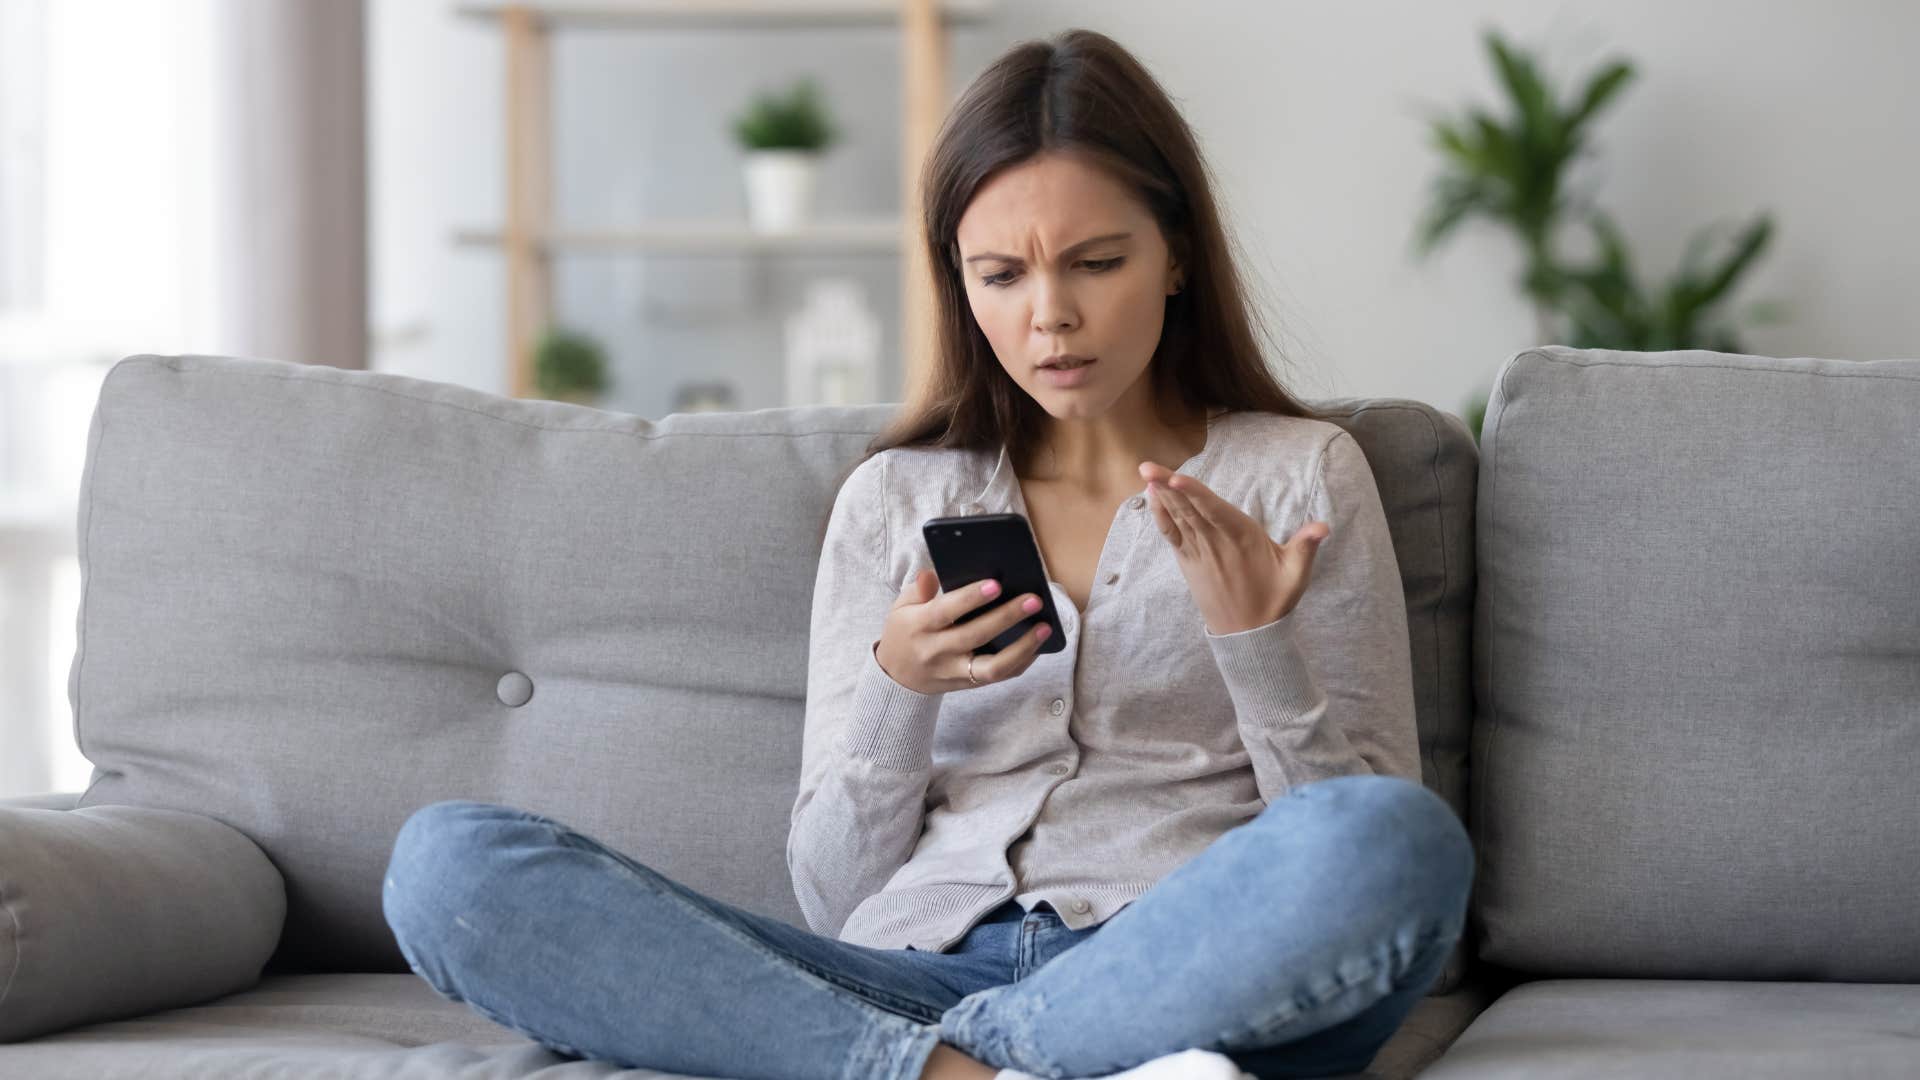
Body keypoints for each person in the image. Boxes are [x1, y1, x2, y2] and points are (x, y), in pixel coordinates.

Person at [382, 26, 1474, 1080]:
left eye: (1097, 262)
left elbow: (1350, 833)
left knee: (1397, 841)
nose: (1052, 317)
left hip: (1187, 970)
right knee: (449, 869)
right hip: (909, 978)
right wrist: (898, 690)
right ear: (957, 281)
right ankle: (978, 1070)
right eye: (1000, 276)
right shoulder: (895, 501)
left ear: (1177, 255)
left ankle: (958, 1062)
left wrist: (1259, 647)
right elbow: (831, 893)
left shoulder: (1302, 477)